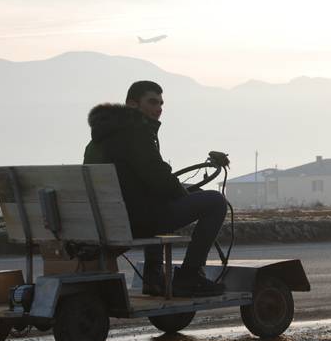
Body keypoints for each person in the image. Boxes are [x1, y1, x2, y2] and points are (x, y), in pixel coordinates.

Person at [84, 80, 227, 297]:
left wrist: (182, 193)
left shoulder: (97, 141)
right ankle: (189, 276)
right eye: (152, 102)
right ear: (132, 105)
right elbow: (159, 179)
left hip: (111, 219)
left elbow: (144, 178)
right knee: (216, 202)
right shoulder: (136, 133)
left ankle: (153, 277)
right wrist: (183, 194)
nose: (158, 109)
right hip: (136, 220)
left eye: (161, 103)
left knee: (170, 199)